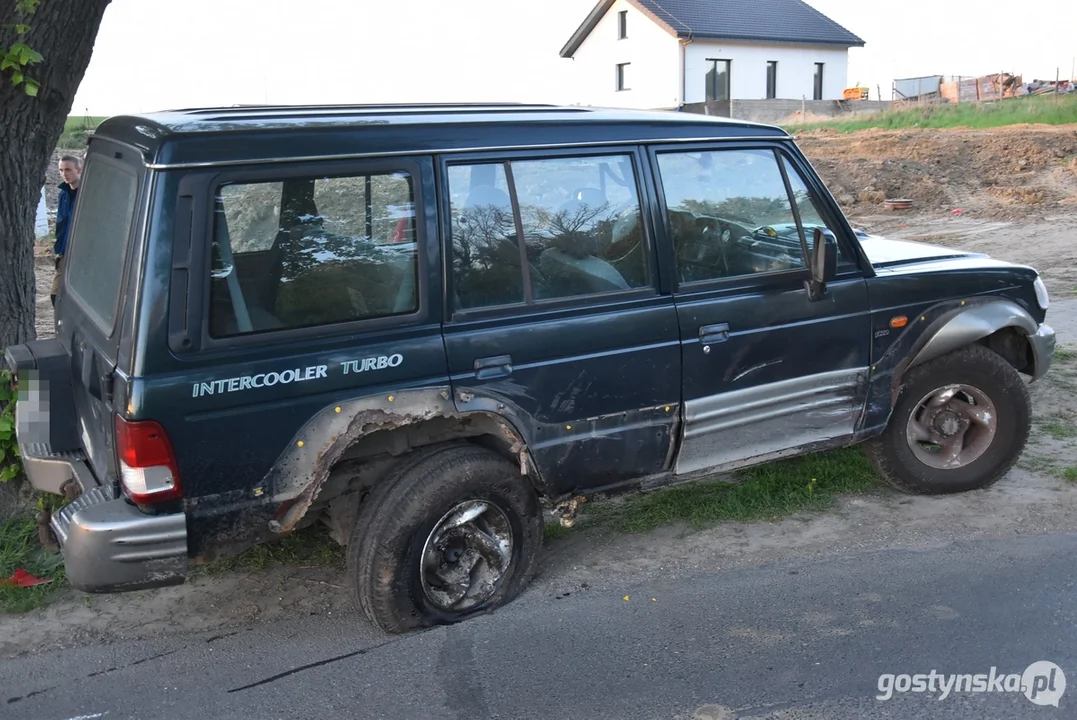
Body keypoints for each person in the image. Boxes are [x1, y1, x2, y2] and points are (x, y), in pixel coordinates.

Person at [52, 155, 81, 306]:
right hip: (65, 250)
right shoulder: (63, 194)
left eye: (68, 170)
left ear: (78, 170)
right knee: (55, 295)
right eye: (61, 170)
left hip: (83, 252)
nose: (65, 174)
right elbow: (61, 223)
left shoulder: (88, 192)